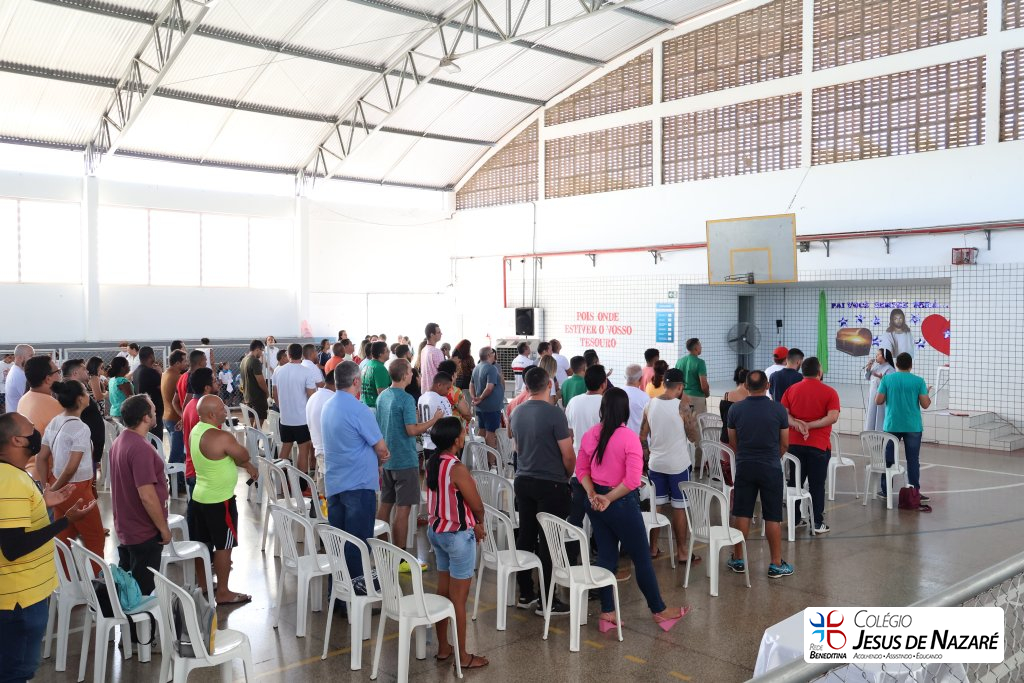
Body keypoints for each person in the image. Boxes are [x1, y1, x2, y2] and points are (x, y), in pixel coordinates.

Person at [578, 389, 687, 630]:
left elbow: (581, 471)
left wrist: (593, 494)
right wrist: (608, 498)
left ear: (603, 409)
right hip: (620, 503)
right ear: (625, 411)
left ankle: (607, 613)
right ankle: (659, 610)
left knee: (606, 557)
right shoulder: (628, 438)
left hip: (596, 502)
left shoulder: (590, 434)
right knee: (642, 558)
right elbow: (632, 481)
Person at [0, 412, 95, 682]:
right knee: (16, 672)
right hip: (20, 599)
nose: (36, 432)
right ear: (17, 440)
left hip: (22, 594)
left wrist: (42, 502)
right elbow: (14, 547)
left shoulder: (12, 475)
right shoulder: (11, 481)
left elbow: (13, 520)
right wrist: (65, 521)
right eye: (31, 429)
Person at [510, 366, 574, 616]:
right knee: (549, 540)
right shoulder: (554, 414)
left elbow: (517, 448)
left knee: (526, 534)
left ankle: (526, 592)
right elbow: (568, 454)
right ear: (549, 384)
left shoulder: (517, 411)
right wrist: (566, 476)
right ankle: (547, 600)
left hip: (523, 480)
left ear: (526, 387)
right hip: (550, 483)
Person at [425, 417, 488, 670]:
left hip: (437, 532)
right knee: (459, 600)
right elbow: (476, 504)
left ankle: (444, 648)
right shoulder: (457, 468)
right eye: (462, 433)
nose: (464, 436)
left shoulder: (433, 462)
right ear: (455, 440)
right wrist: (479, 522)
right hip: (457, 536)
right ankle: (463, 656)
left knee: (444, 591)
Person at [323, 362, 390, 592]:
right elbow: (381, 448)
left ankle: (338, 594)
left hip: (335, 484)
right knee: (358, 544)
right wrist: (383, 457)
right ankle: (357, 593)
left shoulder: (327, 406)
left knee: (339, 543)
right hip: (358, 485)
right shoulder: (359, 409)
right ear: (356, 381)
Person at [190, 394, 258, 604]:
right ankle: (223, 592)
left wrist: (245, 465)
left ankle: (204, 584)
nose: (225, 410)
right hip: (219, 502)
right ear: (211, 414)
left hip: (199, 498)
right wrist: (246, 461)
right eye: (221, 408)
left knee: (202, 545)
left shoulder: (196, 430)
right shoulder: (221, 437)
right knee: (223, 547)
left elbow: (222, 458)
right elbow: (243, 454)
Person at [725, 371, 793, 578]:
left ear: (746, 386)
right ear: (768, 385)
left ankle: (738, 559)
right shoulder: (778, 409)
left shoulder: (735, 409)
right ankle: (775, 564)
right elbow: (785, 443)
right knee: (772, 515)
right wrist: (772, 457)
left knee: (742, 513)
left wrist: (745, 455)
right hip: (770, 467)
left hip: (745, 466)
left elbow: (732, 440)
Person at [376, 359, 441, 566]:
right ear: (404, 375)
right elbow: (411, 430)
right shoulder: (405, 399)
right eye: (411, 372)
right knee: (403, 510)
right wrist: (434, 419)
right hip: (404, 460)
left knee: (385, 505)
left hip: (387, 458)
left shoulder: (382, 396)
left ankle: (382, 550)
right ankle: (401, 558)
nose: (413, 375)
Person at [35, 380, 104, 557]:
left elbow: (41, 457)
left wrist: (48, 487)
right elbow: (71, 468)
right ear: (80, 399)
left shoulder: (55, 421)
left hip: (57, 483)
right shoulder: (81, 428)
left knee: (64, 536)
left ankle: (64, 574)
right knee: (95, 537)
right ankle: (98, 575)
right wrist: (54, 490)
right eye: (85, 392)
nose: (88, 395)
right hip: (76, 488)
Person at [110, 395, 171, 595]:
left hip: (128, 527)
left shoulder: (120, 441)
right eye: (153, 409)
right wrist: (163, 528)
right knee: (143, 594)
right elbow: (147, 495)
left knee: (130, 590)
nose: (156, 412)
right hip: (143, 531)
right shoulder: (140, 448)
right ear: (145, 417)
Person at [639, 368, 697, 564]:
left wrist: (649, 455)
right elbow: (693, 436)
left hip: (656, 464)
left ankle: (653, 548)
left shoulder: (649, 405)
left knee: (657, 505)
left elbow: (642, 436)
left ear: (664, 384)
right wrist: (692, 415)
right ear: (680, 387)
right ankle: (682, 552)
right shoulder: (683, 407)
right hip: (678, 465)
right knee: (679, 507)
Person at [781, 357, 840, 534]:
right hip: (818, 445)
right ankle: (817, 523)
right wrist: (811, 425)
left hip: (794, 445)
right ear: (819, 372)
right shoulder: (830, 392)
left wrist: (798, 424)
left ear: (802, 371)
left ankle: (795, 519)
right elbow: (833, 417)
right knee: (816, 485)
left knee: (794, 483)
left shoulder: (791, 390)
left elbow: (784, 414)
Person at [876, 352, 931, 502]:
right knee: (913, 460)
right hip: (913, 426)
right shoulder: (919, 381)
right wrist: (927, 394)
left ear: (896, 365)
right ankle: (914, 491)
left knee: (889, 459)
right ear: (911, 366)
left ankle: (886, 491)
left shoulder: (887, 379)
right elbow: (925, 404)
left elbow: (878, 401)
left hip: (892, 424)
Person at [273, 343, 317, 473]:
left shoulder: (278, 371)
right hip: (301, 419)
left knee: (285, 448)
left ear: (288, 354)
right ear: (301, 355)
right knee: (303, 451)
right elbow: (311, 397)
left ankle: (279, 480)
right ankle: (301, 483)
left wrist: (282, 408)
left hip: (285, 418)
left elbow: (275, 394)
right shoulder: (306, 371)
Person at [17, 356, 63, 478]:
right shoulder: (55, 406)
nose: (60, 375)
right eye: (57, 371)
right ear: (48, 379)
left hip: (27, 469)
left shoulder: (24, 398)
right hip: (46, 475)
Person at [60, 359, 105, 472]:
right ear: (75, 373)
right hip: (82, 455)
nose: (88, 371)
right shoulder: (69, 392)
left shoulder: (74, 390)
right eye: (84, 369)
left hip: (88, 452)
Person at [182, 368, 220, 498]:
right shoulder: (204, 412)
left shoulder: (190, 405)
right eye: (214, 381)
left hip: (194, 469)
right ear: (207, 388)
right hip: (203, 473)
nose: (217, 383)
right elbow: (213, 446)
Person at [675, 338, 709, 472]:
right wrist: (706, 393)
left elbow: (677, 381)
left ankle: (682, 461)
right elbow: (703, 384)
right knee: (698, 429)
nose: (701, 347)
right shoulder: (700, 363)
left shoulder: (680, 361)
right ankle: (698, 464)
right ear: (696, 348)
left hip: (683, 398)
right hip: (697, 399)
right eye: (700, 345)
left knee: (682, 427)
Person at [305, 367, 335, 492]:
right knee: (329, 492)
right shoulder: (333, 400)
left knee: (322, 489)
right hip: (331, 454)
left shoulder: (314, 396)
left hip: (319, 450)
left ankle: (321, 504)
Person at [160, 350, 187, 488]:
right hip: (175, 418)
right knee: (177, 454)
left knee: (178, 451)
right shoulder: (178, 377)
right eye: (184, 361)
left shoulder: (165, 373)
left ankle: (178, 481)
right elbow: (179, 401)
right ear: (177, 363)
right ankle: (176, 484)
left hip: (167, 417)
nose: (186, 363)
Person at [565, 365, 607, 454]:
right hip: (599, 456)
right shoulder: (607, 404)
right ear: (604, 384)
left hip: (578, 455)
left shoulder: (573, 401)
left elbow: (570, 433)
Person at [469, 347, 504, 451]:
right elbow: (489, 387)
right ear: (489, 355)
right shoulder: (491, 368)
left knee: (482, 430)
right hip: (491, 407)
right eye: (493, 353)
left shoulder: (476, 368)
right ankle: (490, 459)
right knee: (491, 434)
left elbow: (471, 384)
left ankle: (480, 457)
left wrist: (474, 397)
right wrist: (480, 398)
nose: (494, 354)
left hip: (481, 407)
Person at [419, 373, 455, 460]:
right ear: (439, 385)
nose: (448, 391)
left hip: (425, 443)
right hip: (438, 444)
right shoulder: (442, 400)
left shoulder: (421, 398)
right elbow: (450, 422)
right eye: (447, 388)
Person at [132, 346, 164, 439]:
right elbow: (163, 388)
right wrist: (160, 373)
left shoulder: (136, 371)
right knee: (155, 442)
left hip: (142, 413)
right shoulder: (150, 372)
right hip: (153, 415)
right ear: (151, 356)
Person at [864, 347, 895, 431]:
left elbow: (891, 384)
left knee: (880, 416)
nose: (876, 356)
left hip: (882, 398)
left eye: (878, 355)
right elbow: (867, 377)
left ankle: (880, 432)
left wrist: (882, 378)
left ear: (884, 356)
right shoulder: (876, 367)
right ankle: (870, 432)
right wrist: (869, 367)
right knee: (871, 414)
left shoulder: (890, 369)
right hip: (872, 396)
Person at [240, 339, 269, 426]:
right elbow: (260, 381)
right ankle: (255, 436)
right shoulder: (255, 361)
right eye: (261, 350)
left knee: (250, 422)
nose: (262, 353)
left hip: (248, 397)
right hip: (257, 397)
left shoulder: (244, 360)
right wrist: (267, 392)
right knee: (259, 422)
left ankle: (249, 435)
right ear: (257, 349)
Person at [719, 367, 750, 443]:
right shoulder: (749, 397)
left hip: (724, 442)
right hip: (740, 442)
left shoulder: (726, 396)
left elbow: (723, 418)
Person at [438, 360, 472, 426]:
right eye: (456, 373)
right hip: (454, 427)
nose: (456, 376)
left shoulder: (435, 389)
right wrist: (469, 418)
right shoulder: (454, 391)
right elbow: (466, 413)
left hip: (439, 426)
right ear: (453, 375)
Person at [360, 341, 391, 409]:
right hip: (375, 407)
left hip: (364, 406)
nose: (389, 352)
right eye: (387, 351)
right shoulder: (379, 368)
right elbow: (382, 394)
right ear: (380, 354)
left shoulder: (367, 364)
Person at [4, 344, 33, 414]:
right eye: (31, 356)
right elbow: (30, 400)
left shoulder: (16, 371)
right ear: (20, 358)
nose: (33, 359)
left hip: (16, 416)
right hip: (19, 417)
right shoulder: (19, 375)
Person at [621, 364, 650, 435]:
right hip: (638, 437)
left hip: (621, 437)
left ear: (624, 377)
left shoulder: (616, 393)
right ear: (641, 379)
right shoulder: (645, 397)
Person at [420, 323, 445, 394]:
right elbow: (443, 373)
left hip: (424, 392)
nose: (441, 334)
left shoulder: (423, 350)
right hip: (436, 391)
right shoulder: (436, 351)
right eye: (438, 332)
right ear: (431, 335)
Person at [106, 356, 134, 420]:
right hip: (124, 413)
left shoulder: (111, 380)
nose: (129, 367)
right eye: (127, 365)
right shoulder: (122, 381)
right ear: (122, 368)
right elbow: (131, 398)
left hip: (114, 412)